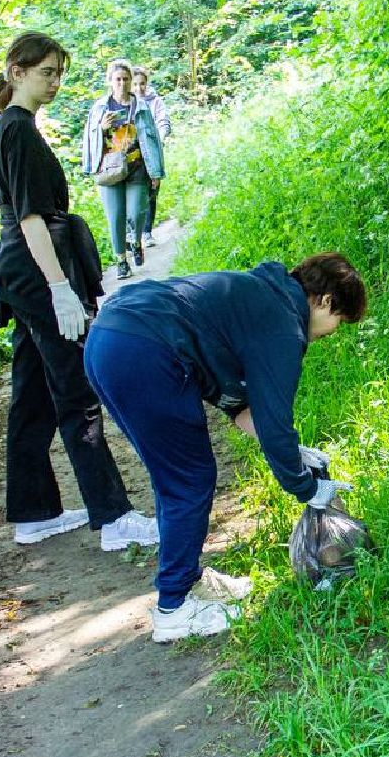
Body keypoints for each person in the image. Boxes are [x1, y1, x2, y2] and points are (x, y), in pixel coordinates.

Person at [83, 254, 367, 642]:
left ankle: (187, 581)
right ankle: (174, 608)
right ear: (325, 301)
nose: (329, 334)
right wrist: (307, 488)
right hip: (144, 350)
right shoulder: (284, 324)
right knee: (189, 479)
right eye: (337, 323)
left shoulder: (259, 297)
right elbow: (274, 419)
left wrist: (295, 453)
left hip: (109, 340)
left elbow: (245, 412)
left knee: (173, 477)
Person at [0, 32, 160, 552]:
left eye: (60, 73)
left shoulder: (16, 129)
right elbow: (32, 219)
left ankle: (34, 512)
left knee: (33, 391)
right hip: (39, 271)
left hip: (27, 271)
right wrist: (59, 288)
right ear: (17, 71)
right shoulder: (15, 131)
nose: (55, 83)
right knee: (76, 392)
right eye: (46, 73)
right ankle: (113, 517)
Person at [82, 59, 165, 280]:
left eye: (126, 79)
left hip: (137, 167)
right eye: (117, 79)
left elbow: (153, 139)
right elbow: (89, 141)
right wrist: (102, 128)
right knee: (115, 216)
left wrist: (156, 173)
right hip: (110, 169)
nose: (122, 83)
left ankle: (135, 240)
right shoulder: (100, 108)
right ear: (110, 81)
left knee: (137, 212)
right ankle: (121, 260)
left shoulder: (142, 106)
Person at [131, 66, 172, 247]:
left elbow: (163, 121)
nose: (139, 88)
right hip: (133, 155)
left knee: (151, 192)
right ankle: (132, 233)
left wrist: (159, 139)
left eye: (142, 84)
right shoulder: (126, 103)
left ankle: (147, 233)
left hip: (152, 152)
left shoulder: (155, 101)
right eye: (135, 84)